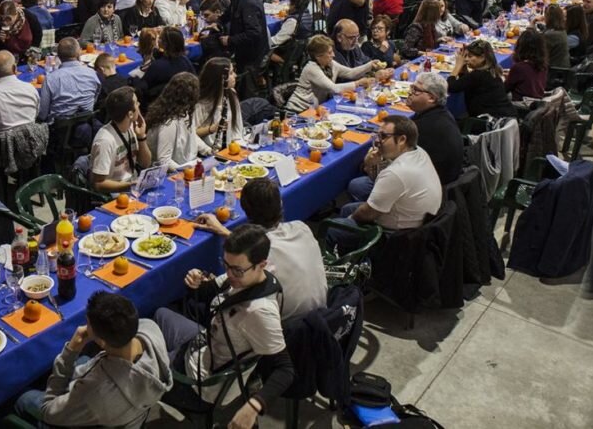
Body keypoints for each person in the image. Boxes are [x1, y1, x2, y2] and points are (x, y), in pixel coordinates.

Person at [154, 225, 295, 424]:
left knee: (140, 364)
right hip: (204, 344)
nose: (229, 274)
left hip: (200, 385)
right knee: (160, 314)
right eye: (226, 265)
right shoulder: (247, 278)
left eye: (237, 270)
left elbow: (285, 370)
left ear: (261, 264)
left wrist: (253, 406)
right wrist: (196, 282)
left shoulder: (259, 312)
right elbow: (209, 291)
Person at [15, 292, 172, 428]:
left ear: (102, 342)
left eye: (88, 323)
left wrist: (70, 351)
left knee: (22, 397)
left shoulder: (94, 393)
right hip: (131, 412)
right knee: (84, 359)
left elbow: (47, 409)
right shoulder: (150, 328)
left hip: (100, 405)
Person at [195, 179, 327, 322]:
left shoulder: (258, 256)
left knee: (197, 303)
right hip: (324, 315)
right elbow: (259, 244)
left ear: (245, 210)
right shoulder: (302, 227)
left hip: (286, 327)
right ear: (281, 203)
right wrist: (224, 231)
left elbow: (255, 248)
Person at [328, 117, 443, 252]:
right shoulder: (417, 152)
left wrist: (349, 220)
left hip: (399, 238)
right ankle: (345, 249)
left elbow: (367, 214)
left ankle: (337, 257)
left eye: (383, 136)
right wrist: (371, 165)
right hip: (416, 220)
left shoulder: (397, 172)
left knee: (333, 227)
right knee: (350, 204)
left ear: (402, 139)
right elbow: (380, 182)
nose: (377, 141)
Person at [286, 35, 378, 112]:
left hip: (314, 109)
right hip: (298, 110)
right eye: (329, 53)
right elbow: (334, 88)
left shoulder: (330, 64)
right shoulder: (311, 68)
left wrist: (370, 65)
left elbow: (350, 72)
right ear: (318, 56)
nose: (333, 55)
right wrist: (358, 83)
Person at [219, 0, 271, 99]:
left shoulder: (248, 2)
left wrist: (230, 40)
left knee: (249, 89)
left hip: (252, 55)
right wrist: (217, 21)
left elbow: (253, 33)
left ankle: (249, 109)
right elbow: (229, 13)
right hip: (245, 53)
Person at [90, 86, 152, 193]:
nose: (139, 104)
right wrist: (129, 186)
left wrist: (141, 137)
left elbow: (145, 164)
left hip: (132, 185)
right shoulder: (105, 141)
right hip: (117, 193)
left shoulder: (132, 128)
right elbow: (99, 184)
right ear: (130, 114)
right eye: (136, 103)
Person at [146, 72, 210, 171]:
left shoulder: (184, 112)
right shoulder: (169, 123)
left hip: (187, 165)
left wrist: (207, 150)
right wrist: (184, 169)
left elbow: (192, 135)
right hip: (174, 172)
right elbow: (164, 160)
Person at [446, 40, 517, 118]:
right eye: (466, 56)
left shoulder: (478, 75)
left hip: (489, 121)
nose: (466, 59)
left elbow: (450, 87)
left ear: (482, 57)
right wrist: (463, 70)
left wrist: (457, 66)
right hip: (506, 117)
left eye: (470, 56)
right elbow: (467, 82)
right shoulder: (493, 70)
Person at [39, 37, 101, 123]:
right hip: (87, 122)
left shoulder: (50, 79)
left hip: (59, 128)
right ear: (79, 53)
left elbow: (43, 115)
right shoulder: (92, 74)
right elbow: (95, 99)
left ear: (58, 56)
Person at [194, 57, 245, 150]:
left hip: (232, 148)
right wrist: (212, 129)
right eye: (231, 73)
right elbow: (192, 134)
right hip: (209, 151)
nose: (235, 75)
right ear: (220, 79)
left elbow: (238, 128)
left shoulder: (232, 94)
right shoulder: (200, 104)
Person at [143, 26, 195, 91]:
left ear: (165, 44)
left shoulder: (156, 66)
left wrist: (134, 80)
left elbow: (143, 86)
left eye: (160, 38)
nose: (158, 39)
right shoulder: (186, 61)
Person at [506, 28, 548, 101]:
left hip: (520, 104)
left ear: (520, 46)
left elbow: (505, 89)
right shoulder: (543, 65)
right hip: (537, 102)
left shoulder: (519, 68)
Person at [543, 4, 571, 69]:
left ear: (547, 17)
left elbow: (540, 55)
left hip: (553, 70)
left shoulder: (550, 35)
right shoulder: (562, 30)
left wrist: (532, 24)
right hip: (563, 66)